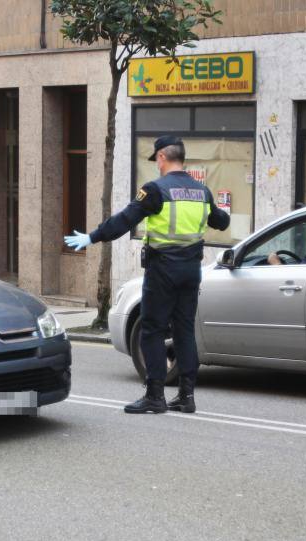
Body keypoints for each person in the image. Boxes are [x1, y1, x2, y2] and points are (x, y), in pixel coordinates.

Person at [64, 136, 230, 414]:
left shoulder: (155, 190)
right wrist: (211, 207)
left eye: (157, 160)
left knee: (152, 330)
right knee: (184, 330)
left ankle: (155, 396)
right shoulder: (202, 191)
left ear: (163, 157)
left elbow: (123, 221)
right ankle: (186, 396)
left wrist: (92, 237)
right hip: (191, 271)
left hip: (163, 270)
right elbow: (222, 222)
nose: (156, 165)